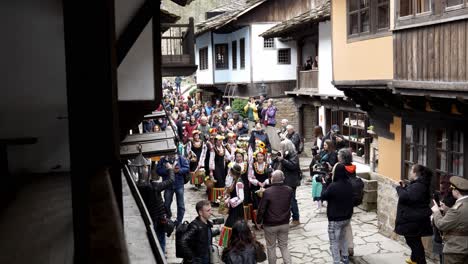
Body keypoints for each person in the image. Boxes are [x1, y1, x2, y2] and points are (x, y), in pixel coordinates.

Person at [395, 164, 433, 264]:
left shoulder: (419, 185)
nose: (409, 172)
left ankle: (420, 261)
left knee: (414, 242)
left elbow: (404, 196)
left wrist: (399, 188)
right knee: (414, 241)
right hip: (413, 219)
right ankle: (414, 259)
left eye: (411, 171)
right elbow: (412, 196)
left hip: (413, 221)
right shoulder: (418, 184)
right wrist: (405, 187)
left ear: (415, 173)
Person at [137, 161, 175, 253]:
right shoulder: (154, 186)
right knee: (160, 240)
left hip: (148, 217)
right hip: (158, 218)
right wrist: (170, 169)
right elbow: (171, 180)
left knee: (153, 241)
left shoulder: (138, 187)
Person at [257, 170, 293, 264]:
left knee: (271, 247)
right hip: (284, 222)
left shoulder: (267, 192)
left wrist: (258, 221)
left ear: (272, 179)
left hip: (270, 225)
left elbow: (261, 209)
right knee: (284, 246)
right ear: (283, 179)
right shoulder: (289, 190)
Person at [321, 163, 354, 264]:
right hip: (347, 217)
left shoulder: (332, 186)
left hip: (335, 219)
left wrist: (324, 184)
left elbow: (323, 196)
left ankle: (336, 261)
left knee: (334, 242)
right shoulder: (349, 184)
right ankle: (345, 259)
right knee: (343, 239)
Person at [432, 176, 468, 264]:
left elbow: (441, 225)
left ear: (456, 191)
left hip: (455, 249)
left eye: (452, 189)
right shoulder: (462, 206)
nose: (451, 191)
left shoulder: (456, 209)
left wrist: (436, 212)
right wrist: (448, 210)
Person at [338, 148, 363, 257]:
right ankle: (350, 246)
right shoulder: (352, 167)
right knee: (347, 224)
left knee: (339, 226)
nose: (337, 157)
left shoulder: (340, 168)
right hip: (351, 201)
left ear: (342, 157)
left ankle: (341, 248)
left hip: (341, 199)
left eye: (339, 155)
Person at [273, 139, 301, 227]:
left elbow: (293, 166)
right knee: (287, 200)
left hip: (291, 181)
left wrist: (283, 160)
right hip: (286, 180)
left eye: (282, 147)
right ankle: (288, 217)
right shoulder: (285, 154)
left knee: (292, 199)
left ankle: (296, 219)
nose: (280, 149)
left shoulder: (294, 155)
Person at [157, 154, 190, 226]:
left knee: (181, 205)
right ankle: (168, 218)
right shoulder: (163, 160)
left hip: (179, 184)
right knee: (166, 204)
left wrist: (179, 171)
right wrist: (169, 170)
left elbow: (187, 167)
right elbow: (158, 170)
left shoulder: (181, 158)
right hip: (168, 185)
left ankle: (179, 221)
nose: (171, 155)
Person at [219, 163, 245, 247]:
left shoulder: (239, 183)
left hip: (237, 209)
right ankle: (234, 244)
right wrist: (226, 198)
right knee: (233, 225)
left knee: (230, 225)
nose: (229, 172)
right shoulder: (235, 180)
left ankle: (232, 244)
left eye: (230, 171)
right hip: (234, 208)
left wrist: (229, 201)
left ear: (233, 172)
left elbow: (241, 198)